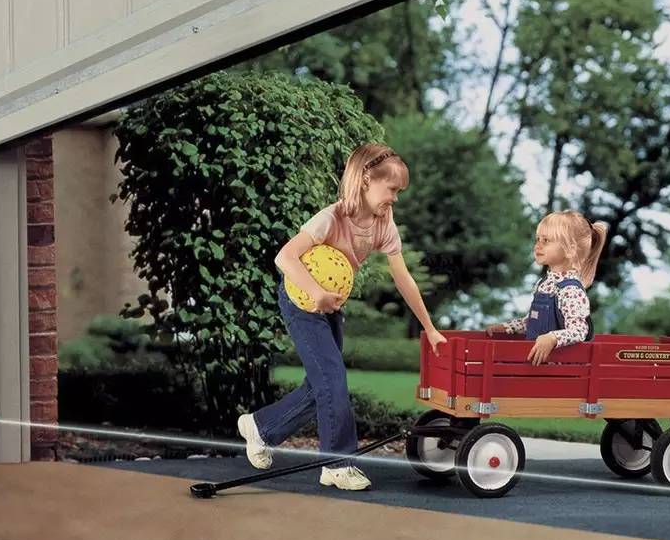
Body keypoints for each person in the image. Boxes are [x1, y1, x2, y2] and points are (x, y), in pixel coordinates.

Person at [237, 142, 447, 490]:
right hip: (301, 299)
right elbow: (284, 258)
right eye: (392, 189)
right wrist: (315, 292)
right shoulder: (331, 218)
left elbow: (403, 278)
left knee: (322, 383)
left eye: (399, 192)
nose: (395, 198)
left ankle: (261, 427)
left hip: (330, 302)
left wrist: (430, 327)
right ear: (366, 179)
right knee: (332, 378)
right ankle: (337, 464)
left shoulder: (383, 224)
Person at [487, 210, 608, 366]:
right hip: (537, 364)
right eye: (538, 239)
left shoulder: (571, 291)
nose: (538, 245)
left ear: (570, 249)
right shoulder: (543, 284)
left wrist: (552, 338)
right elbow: (533, 323)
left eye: (546, 240)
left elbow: (579, 330)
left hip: (559, 368)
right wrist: (508, 328)